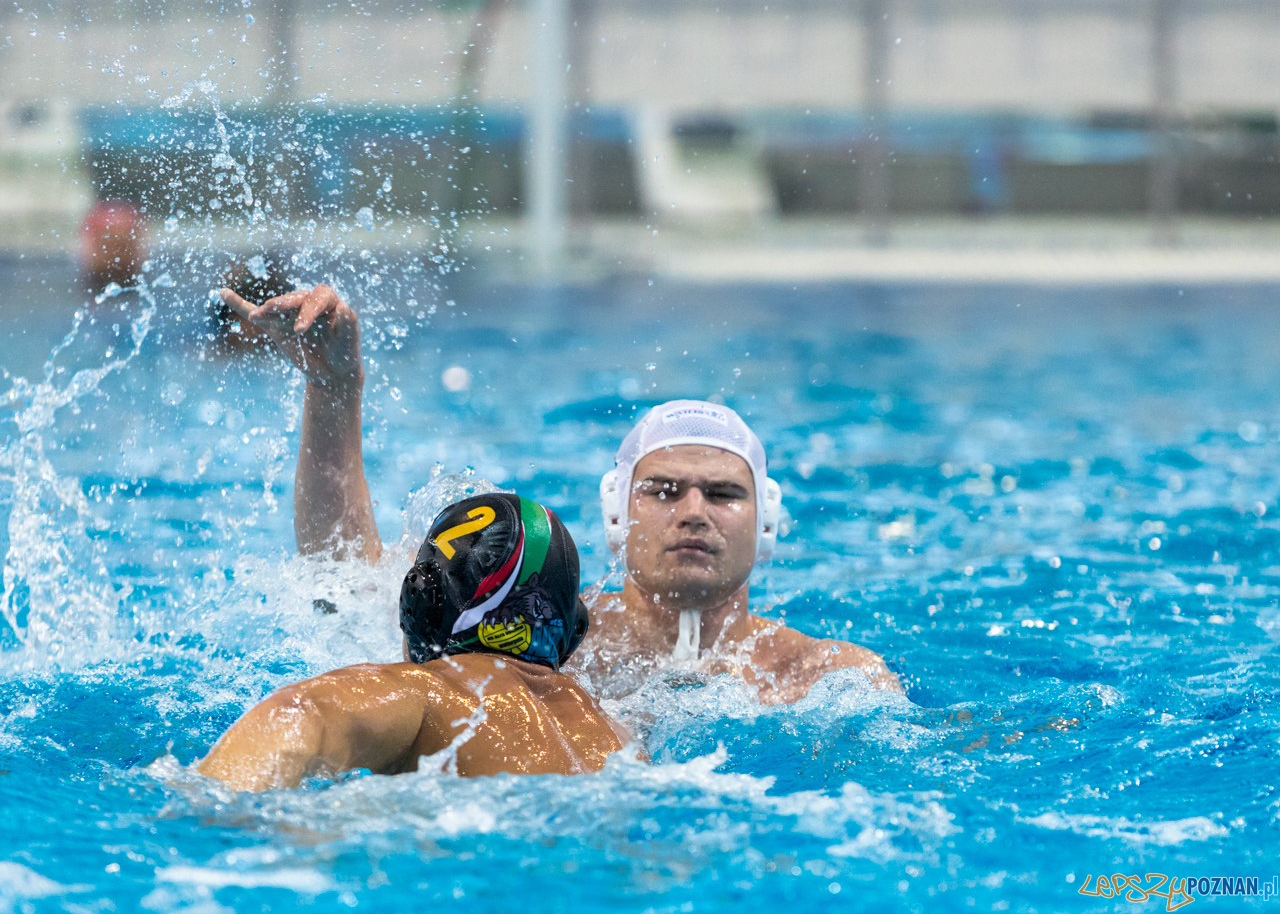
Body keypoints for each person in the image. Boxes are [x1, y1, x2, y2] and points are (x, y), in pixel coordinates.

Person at [216, 283, 903, 705]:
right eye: (664, 490)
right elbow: (346, 576)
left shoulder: (830, 676)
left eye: (723, 493)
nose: (694, 510)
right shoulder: (536, 624)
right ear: (616, 513)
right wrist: (335, 391)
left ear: (768, 522)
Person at [197, 493, 626, 791]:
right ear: (571, 633)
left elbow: (295, 713)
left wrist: (204, 814)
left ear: (421, 606)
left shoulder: (430, 692)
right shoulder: (617, 735)